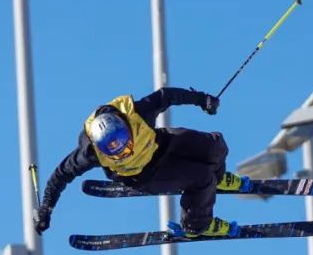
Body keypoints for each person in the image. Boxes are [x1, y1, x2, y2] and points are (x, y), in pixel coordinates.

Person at [32, 86, 251, 238]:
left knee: (215, 144)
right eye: (116, 151)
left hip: (158, 143)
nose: (125, 151)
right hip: (144, 175)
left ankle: (217, 180)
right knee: (201, 178)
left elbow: (167, 95)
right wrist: (46, 208)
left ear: (124, 126)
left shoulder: (137, 112)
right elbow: (60, 175)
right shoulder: (90, 152)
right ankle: (196, 225)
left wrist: (203, 99)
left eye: (124, 143)